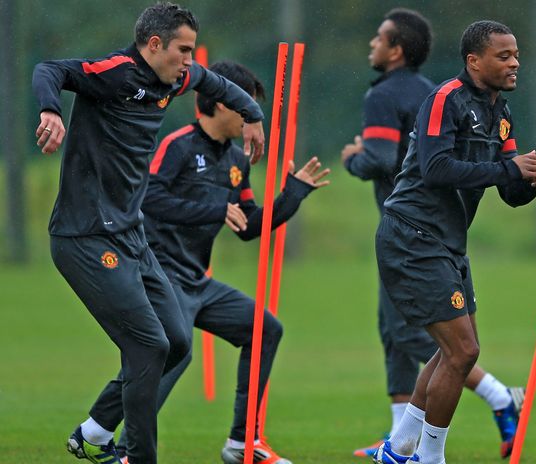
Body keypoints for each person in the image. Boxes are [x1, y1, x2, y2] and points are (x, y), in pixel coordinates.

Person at [31, 3, 266, 463]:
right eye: (184, 49)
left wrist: (253, 114)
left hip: (131, 237)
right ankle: (137, 458)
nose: (189, 60)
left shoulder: (177, 77)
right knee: (148, 344)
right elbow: (49, 69)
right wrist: (50, 112)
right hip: (85, 236)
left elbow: (218, 84)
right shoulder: (116, 73)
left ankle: (94, 433)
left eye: (193, 50)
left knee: (176, 342)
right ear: (154, 45)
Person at [110, 60, 329, 464]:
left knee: (265, 329)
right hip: (157, 273)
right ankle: (125, 452)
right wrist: (212, 209)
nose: (250, 119)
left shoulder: (236, 160)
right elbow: (148, 200)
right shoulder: (176, 145)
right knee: (174, 351)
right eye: (245, 108)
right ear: (222, 104)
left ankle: (243, 444)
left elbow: (246, 226)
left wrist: (292, 197)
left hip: (198, 280)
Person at [342, 9, 526, 460]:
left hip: (447, 243)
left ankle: (400, 447)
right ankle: (429, 455)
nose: (515, 63)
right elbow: (436, 167)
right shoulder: (445, 97)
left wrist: (528, 180)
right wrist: (507, 169)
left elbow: (510, 193)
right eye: (504, 56)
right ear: (474, 61)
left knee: (451, 352)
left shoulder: (500, 111)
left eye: (516, 56)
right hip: (412, 235)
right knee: (460, 350)